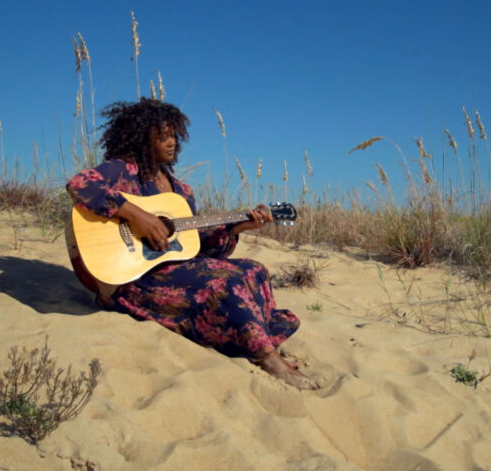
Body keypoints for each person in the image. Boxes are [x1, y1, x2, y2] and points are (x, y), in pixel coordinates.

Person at [66, 99, 315, 390]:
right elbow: (80, 185)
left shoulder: (181, 191)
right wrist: (138, 216)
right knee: (226, 286)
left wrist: (240, 225)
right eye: (162, 136)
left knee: (253, 269)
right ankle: (267, 357)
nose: (171, 143)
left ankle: (256, 340)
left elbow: (196, 247)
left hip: (173, 269)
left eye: (174, 136)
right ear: (141, 137)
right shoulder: (122, 170)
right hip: (132, 276)